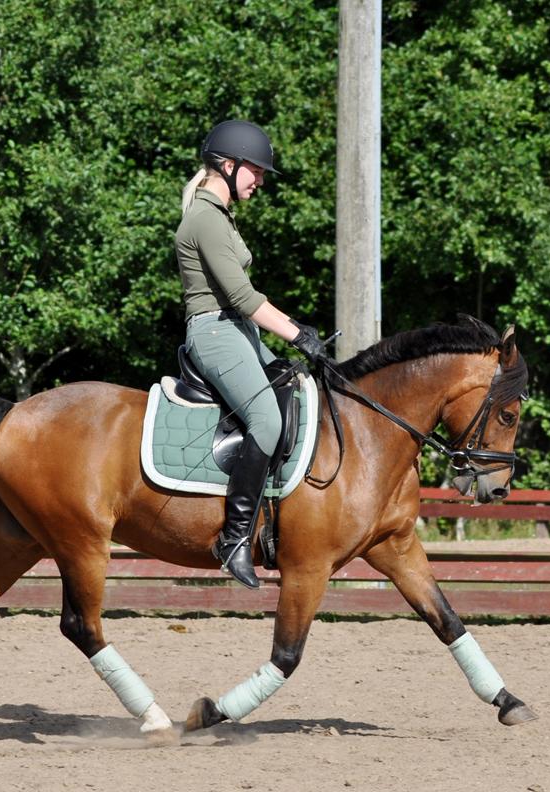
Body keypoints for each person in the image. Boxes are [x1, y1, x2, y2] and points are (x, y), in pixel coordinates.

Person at [174, 119, 326, 588]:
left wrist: (294, 329)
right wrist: (296, 334)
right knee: (267, 420)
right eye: (255, 171)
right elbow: (241, 297)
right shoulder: (203, 218)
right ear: (228, 164)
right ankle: (235, 538)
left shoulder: (220, 216)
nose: (259, 180)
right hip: (216, 332)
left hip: (238, 332)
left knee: (296, 393)